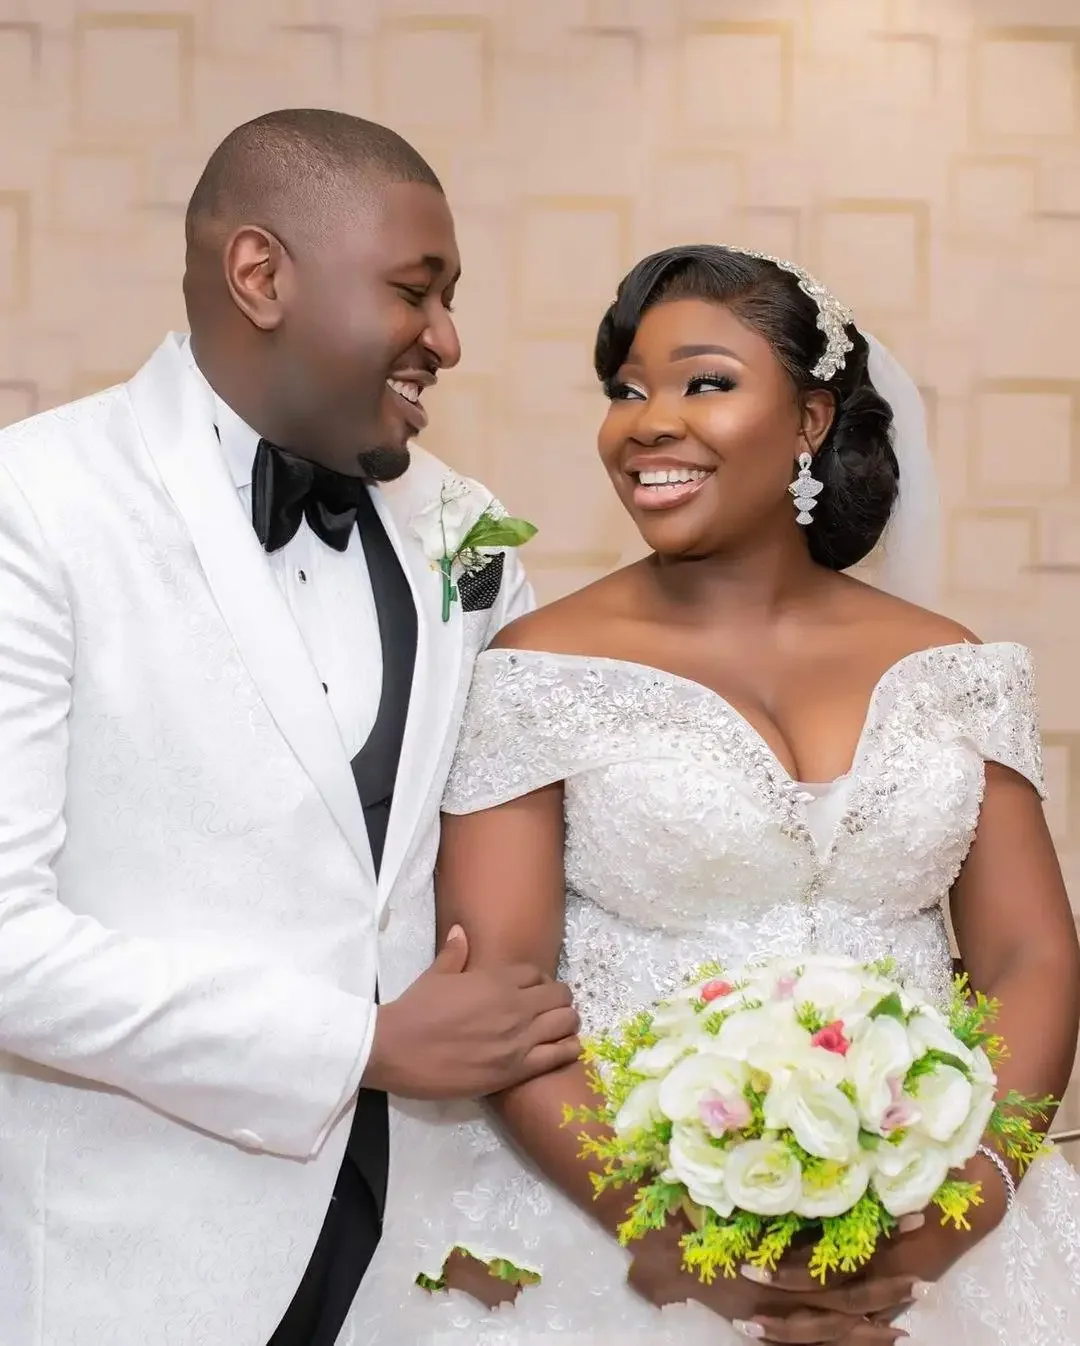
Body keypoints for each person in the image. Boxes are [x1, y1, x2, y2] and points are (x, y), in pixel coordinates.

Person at [352, 245, 1080, 1344]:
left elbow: (1030, 957)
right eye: (627, 390)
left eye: (705, 381)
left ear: (811, 420)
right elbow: (503, 988)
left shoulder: (956, 667)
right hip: (617, 1228)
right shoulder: (539, 671)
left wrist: (947, 1222)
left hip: (941, 1238)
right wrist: (688, 1250)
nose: (647, 420)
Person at [0, 109, 582, 1346]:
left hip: (427, 1256)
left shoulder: (465, 527)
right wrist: (355, 1041)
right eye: (415, 293)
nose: (449, 340)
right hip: (142, 1257)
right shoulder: (34, 509)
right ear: (260, 275)